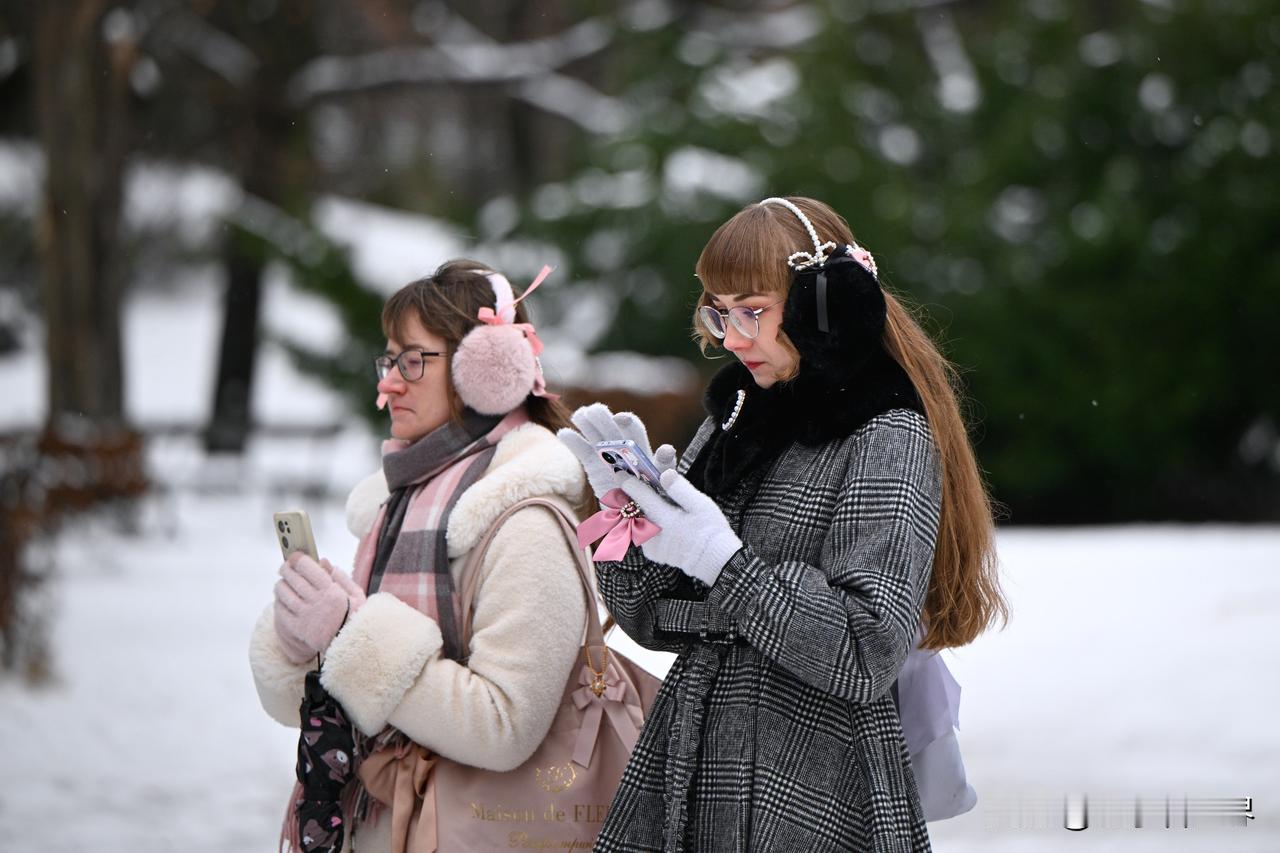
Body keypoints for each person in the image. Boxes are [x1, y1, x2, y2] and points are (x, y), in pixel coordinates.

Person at [557, 197, 1006, 852]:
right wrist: (627, 516)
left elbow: (866, 649)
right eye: (719, 311)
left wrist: (726, 565)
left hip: (815, 786)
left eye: (752, 310)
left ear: (823, 304)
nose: (732, 337)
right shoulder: (739, 416)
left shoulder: (887, 430)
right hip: (690, 772)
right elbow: (652, 616)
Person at [249, 259, 589, 852]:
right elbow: (335, 697)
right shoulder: (396, 508)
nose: (388, 384)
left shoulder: (524, 520)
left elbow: (503, 726)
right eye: (388, 360)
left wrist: (351, 634)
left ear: (486, 370)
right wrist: (304, 644)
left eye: (413, 361)